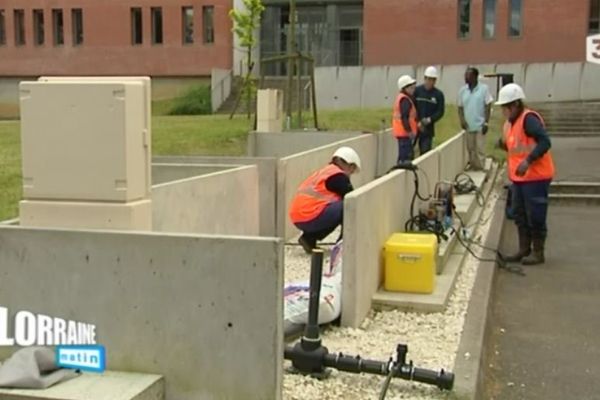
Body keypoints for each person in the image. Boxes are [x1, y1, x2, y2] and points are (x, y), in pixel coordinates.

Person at [496, 83, 554, 265]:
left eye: (505, 108)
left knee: (535, 214)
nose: (503, 112)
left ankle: (538, 252)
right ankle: (523, 249)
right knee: (519, 213)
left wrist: (528, 161)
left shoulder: (529, 119)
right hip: (519, 178)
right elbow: (516, 147)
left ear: (515, 105)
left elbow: (544, 142)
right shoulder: (510, 124)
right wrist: (503, 145)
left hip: (536, 176)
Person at [289, 147, 361, 254]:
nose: (350, 174)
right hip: (310, 215)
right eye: (352, 170)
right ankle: (343, 246)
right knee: (347, 207)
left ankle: (309, 239)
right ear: (350, 165)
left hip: (298, 217)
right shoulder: (338, 176)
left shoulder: (325, 172)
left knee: (333, 210)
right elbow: (352, 198)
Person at [457, 67, 494, 170]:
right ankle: (473, 166)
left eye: (468, 75)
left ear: (475, 77)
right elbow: (460, 107)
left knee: (480, 149)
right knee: (470, 148)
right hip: (468, 125)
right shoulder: (462, 90)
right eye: (465, 75)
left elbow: (488, 105)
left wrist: (486, 122)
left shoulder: (484, 89)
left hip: (480, 125)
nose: (466, 77)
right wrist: (462, 120)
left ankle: (481, 168)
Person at [414, 66, 445, 155]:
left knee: (425, 153)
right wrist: (417, 121)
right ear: (425, 78)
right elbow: (412, 107)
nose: (430, 82)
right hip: (414, 127)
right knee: (410, 153)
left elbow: (440, 111)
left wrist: (429, 119)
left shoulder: (438, 95)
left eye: (432, 80)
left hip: (428, 129)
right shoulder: (417, 91)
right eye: (428, 79)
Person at [392, 75, 418, 163]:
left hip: (403, 134)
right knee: (405, 158)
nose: (413, 89)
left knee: (404, 157)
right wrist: (409, 131)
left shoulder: (404, 98)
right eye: (410, 87)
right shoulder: (405, 100)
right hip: (405, 134)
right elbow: (405, 117)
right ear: (404, 88)